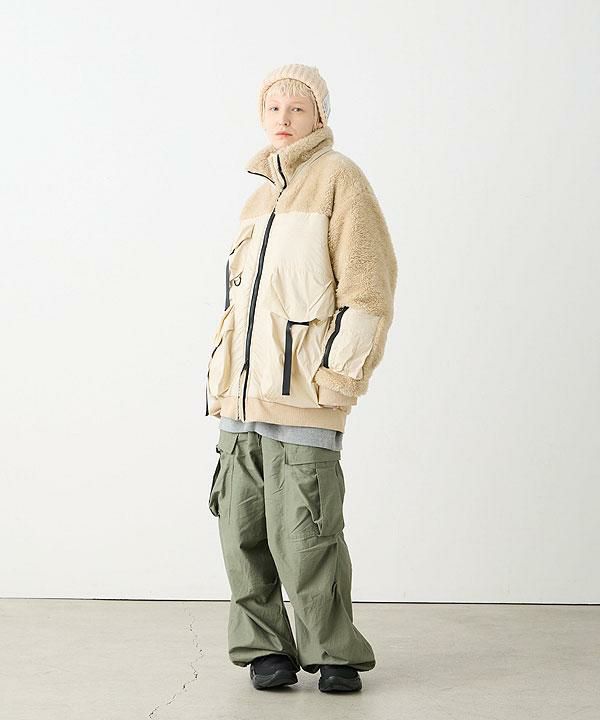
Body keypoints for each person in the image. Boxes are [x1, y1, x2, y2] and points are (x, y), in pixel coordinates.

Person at [204, 64, 397, 693]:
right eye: (273, 108)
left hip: (304, 391)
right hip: (241, 395)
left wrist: (339, 377)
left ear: (320, 116)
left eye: (297, 108)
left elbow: (369, 289)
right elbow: (238, 304)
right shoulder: (257, 197)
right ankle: (265, 649)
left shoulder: (340, 179)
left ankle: (333, 650)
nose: (283, 120)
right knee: (242, 530)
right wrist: (221, 379)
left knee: (308, 531)